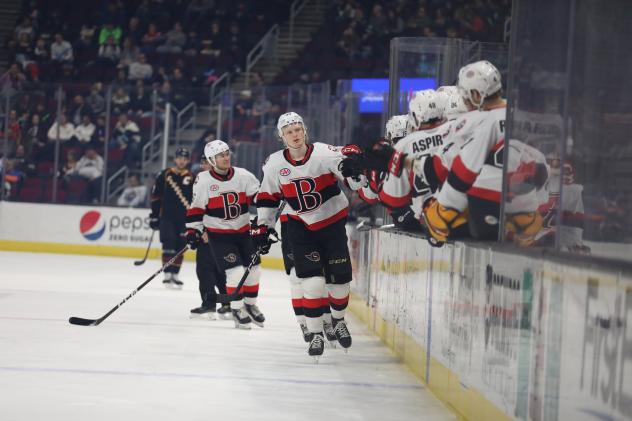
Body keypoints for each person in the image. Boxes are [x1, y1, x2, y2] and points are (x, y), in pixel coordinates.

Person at [253, 112, 365, 360]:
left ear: (304, 131)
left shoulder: (323, 152)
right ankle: (315, 334)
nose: (294, 134)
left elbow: (350, 168)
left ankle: (337, 320)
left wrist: (352, 169)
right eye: (289, 131)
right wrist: (263, 226)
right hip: (300, 226)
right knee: (312, 283)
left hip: (333, 223)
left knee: (340, 281)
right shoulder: (274, 164)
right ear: (281, 137)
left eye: (297, 129)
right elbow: (267, 197)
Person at [186, 140, 263, 329]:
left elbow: (258, 198)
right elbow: (196, 208)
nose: (226, 157)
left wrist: (273, 197)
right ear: (212, 159)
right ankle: (236, 309)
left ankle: (250, 305)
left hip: (244, 233)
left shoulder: (244, 175)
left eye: (227, 153)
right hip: (220, 237)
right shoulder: (203, 180)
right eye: (221, 155)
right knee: (236, 272)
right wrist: (193, 230)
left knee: (254, 271)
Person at [188, 155, 230, 320]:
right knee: (220, 271)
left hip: (214, 233)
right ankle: (227, 304)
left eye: (207, 162)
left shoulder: (207, 181)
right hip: (224, 233)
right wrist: (194, 230)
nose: (204, 165)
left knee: (206, 270)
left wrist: (206, 230)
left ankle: (209, 305)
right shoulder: (218, 178)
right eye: (203, 162)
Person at [149, 147, 194, 289]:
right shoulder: (165, 174)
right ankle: (167, 273)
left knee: (180, 245)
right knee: (168, 243)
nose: (181, 161)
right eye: (179, 158)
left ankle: (175, 273)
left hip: (184, 218)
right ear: (175, 159)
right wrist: (154, 216)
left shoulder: (191, 178)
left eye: (184, 159)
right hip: (167, 217)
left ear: (188, 161)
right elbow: (156, 196)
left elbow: (195, 200)